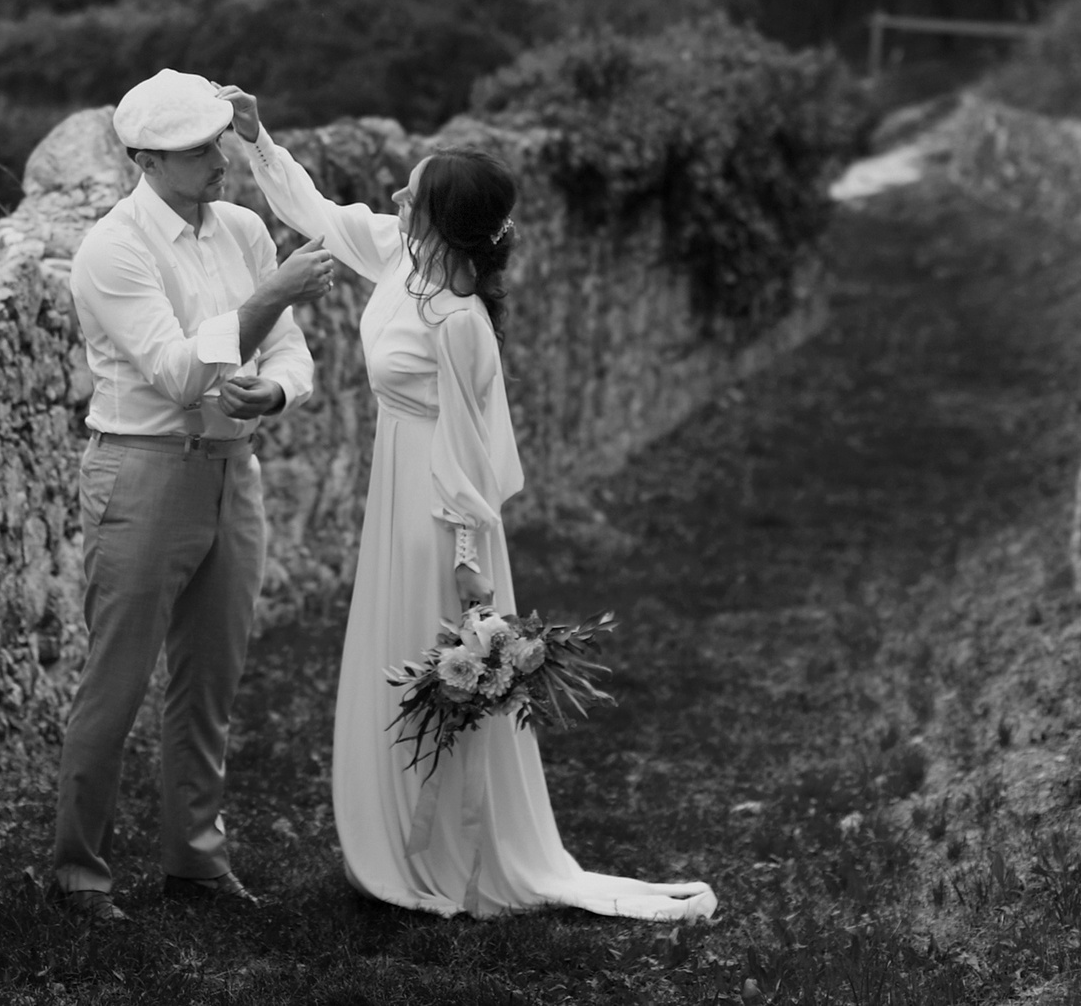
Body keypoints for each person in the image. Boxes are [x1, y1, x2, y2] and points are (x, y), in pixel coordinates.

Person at [226, 85, 716, 922]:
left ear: (437, 219)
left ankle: (445, 846)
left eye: (408, 195)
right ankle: (397, 836)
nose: (393, 199)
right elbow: (316, 208)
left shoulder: (459, 320)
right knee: (392, 648)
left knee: (434, 653)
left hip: (438, 512)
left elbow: (468, 448)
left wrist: (465, 564)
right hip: (398, 480)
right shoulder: (401, 257)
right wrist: (256, 139)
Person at [49, 69, 340, 921]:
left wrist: (276, 393)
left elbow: (291, 353)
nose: (217, 159)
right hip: (141, 468)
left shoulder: (245, 227)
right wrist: (272, 293)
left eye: (218, 140)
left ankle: (196, 862)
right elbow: (179, 374)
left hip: (232, 468)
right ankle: (77, 872)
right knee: (118, 678)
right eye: (194, 149)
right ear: (144, 157)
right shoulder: (114, 248)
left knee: (212, 676)